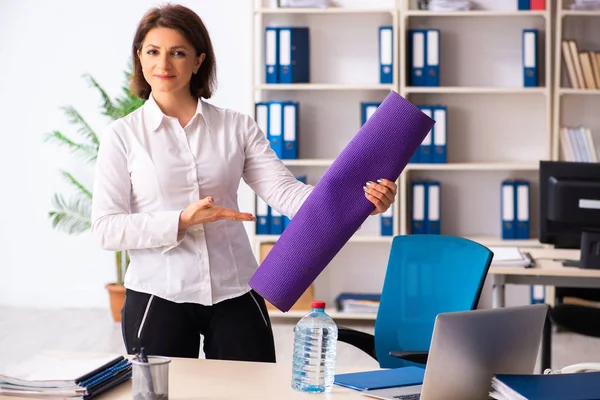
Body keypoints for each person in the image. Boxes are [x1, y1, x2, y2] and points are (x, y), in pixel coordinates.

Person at [90, 4, 397, 363]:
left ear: (198, 60)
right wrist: (181, 221)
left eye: (178, 53)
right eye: (153, 52)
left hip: (234, 290)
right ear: (139, 57)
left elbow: (287, 194)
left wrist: (361, 200)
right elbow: (106, 229)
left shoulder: (236, 127)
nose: (164, 65)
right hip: (159, 294)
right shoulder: (122, 136)